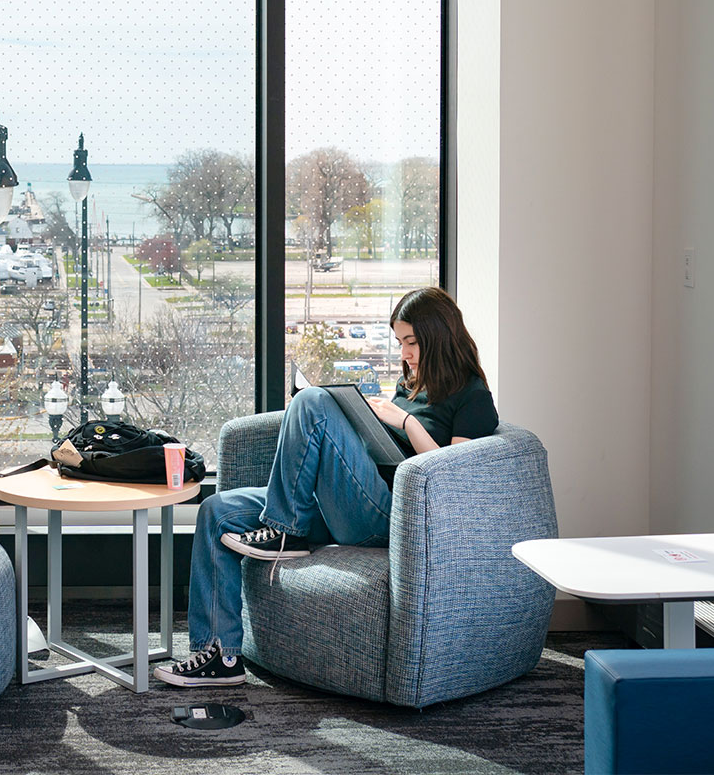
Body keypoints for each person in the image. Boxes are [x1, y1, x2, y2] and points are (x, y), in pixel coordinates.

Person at [153, 286, 498, 687]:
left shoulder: (474, 397)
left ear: (439, 335)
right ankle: (220, 657)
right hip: (347, 501)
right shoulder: (413, 384)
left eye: (411, 342)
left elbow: (450, 482)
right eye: (400, 343)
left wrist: (405, 422)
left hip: (388, 517)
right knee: (218, 511)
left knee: (314, 403)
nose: (404, 353)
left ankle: (285, 530)